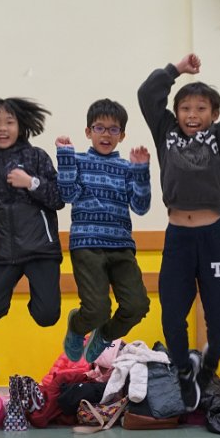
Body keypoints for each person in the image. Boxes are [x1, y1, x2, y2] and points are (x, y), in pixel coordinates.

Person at [138, 53, 220, 409]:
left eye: (200, 109)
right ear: (176, 113)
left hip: (213, 239)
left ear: (214, 114)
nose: (192, 115)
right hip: (177, 238)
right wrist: (176, 70)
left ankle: (207, 370)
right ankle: (184, 371)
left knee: (219, 321)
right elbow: (148, 94)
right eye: (185, 108)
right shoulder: (165, 132)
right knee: (171, 316)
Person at [56, 99, 152, 363]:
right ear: (88, 132)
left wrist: (141, 171)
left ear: (122, 135)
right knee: (97, 309)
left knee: (137, 306)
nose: (106, 134)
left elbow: (141, 206)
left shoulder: (126, 168)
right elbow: (67, 194)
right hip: (87, 245)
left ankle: (105, 334)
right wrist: (65, 157)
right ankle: (77, 325)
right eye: (99, 128)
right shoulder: (77, 160)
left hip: (121, 246)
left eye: (113, 129)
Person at [0, 96, 63, 328]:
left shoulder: (37, 156)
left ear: (20, 126)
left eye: (9, 122)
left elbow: (58, 198)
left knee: (47, 316)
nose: (2, 128)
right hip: (3, 251)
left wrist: (31, 183)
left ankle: (40, 297)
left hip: (40, 248)